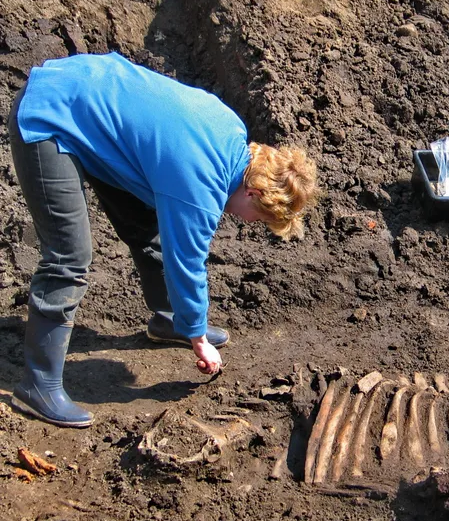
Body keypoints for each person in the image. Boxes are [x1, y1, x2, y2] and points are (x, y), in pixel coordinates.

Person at [6, 52, 318, 428]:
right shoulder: (199, 187)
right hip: (51, 114)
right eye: (259, 218)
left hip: (88, 99)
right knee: (69, 256)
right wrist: (200, 339)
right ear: (253, 194)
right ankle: (39, 383)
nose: (247, 221)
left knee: (143, 223)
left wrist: (191, 324)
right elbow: (186, 261)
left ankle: (171, 320)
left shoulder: (232, 130)